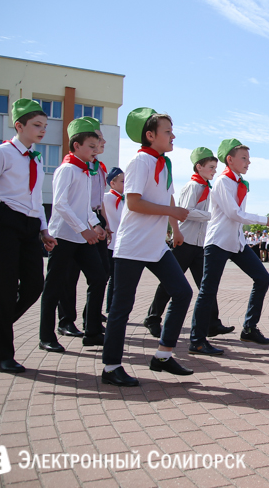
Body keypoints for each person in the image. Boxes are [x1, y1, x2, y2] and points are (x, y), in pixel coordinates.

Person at [101, 108, 194, 387]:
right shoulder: (139, 162)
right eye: (167, 131)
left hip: (156, 246)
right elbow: (134, 203)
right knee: (121, 308)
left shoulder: (163, 163)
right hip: (131, 245)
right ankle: (111, 367)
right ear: (150, 135)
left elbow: (168, 197)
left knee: (182, 292)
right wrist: (172, 212)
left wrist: (175, 227)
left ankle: (163, 355)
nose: (173, 135)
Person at [0, 99, 57, 373]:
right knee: (3, 290)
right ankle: (1, 354)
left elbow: (37, 198)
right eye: (37, 125)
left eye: (45, 126)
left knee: (33, 285)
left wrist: (43, 229)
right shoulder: (1, 153)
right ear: (19, 126)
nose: (42, 130)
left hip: (29, 226)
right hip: (4, 221)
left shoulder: (36, 159)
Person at [189, 139, 269, 355]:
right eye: (244, 158)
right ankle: (197, 340)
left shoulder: (239, 183)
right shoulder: (222, 182)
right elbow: (233, 213)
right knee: (208, 291)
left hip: (236, 243)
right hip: (218, 243)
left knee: (262, 277)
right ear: (230, 160)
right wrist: (263, 219)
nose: (249, 162)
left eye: (248, 158)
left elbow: (236, 218)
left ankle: (249, 328)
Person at [144, 147, 234, 340]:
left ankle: (212, 323)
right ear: (199, 167)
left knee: (207, 285)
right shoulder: (192, 186)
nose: (214, 171)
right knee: (170, 283)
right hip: (184, 243)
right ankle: (152, 318)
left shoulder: (207, 188)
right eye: (210, 167)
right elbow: (183, 211)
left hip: (199, 245)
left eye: (215, 168)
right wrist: (210, 216)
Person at [38, 118, 108, 353]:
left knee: (98, 277)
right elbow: (60, 204)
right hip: (63, 237)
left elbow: (85, 206)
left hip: (81, 236)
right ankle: (46, 336)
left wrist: (95, 224)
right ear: (76, 146)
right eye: (91, 145)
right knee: (54, 286)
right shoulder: (67, 169)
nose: (94, 150)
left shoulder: (86, 171)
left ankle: (93, 331)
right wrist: (83, 228)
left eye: (96, 145)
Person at [102, 167, 124, 314]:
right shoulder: (106, 198)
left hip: (119, 245)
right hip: (108, 245)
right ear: (112, 183)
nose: (125, 184)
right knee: (104, 279)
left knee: (115, 280)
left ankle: (111, 308)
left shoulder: (123, 201)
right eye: (122, 181)